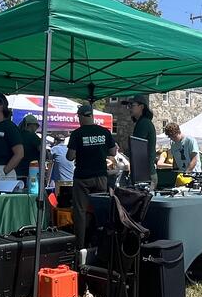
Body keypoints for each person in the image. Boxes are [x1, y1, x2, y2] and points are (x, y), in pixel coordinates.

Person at [67, 103, 116, 254]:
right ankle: (101, 245)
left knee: (80, 212)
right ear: (92, 116)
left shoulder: (77, 134)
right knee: (101, 212)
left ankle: (80, 247)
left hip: (82, 178)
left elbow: (70, 156)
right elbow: (113, 152)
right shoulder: (104, 132)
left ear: (81, 117)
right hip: (101, 176)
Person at [128, 96, 159, 183]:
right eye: (129, 105)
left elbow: (137, 149)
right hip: (146, 172)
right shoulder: (143, 122)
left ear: (141, 107)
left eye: (132, 105)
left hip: (144, 174)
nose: (129, 108)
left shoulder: (143, 123)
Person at [19, 114, 43, 181]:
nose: (36, 128)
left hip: (16, 171)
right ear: (32, 125)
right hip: (31, 172)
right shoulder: (33, 137)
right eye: (36, 126)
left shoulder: (17, 135)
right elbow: (43, 152)